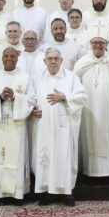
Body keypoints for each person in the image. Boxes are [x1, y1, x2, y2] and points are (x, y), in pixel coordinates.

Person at [32, 48, 87, 205]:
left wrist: (64, 96)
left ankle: (67, 193)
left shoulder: (71, 77)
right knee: (46, 156)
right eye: (50, 58)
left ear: (62, 60)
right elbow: (31, 98)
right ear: (44, 61)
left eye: (56, 58)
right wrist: (31, 110)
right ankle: (47, 193)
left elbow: (82, 95)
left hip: (64, 126)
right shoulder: (37, 78)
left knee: (64, 156)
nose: (53, 61)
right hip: (43, 126)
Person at [0, 47, 36, 204]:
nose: (8, 58)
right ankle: (2, 194)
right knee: (1, 157)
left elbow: (32, 99)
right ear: (2, 58)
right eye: (5, 56)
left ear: (17, 58)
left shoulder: (25, 77)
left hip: (17, 125)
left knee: (17, 158)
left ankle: (17, 194)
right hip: (0, 126)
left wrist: (15, 97)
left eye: (12, 56)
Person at [74, 36, 109, 179]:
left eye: (101, 43)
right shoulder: (82, 62)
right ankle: (89, 172)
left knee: (108, 136)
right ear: (90, 44)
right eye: (95, 42)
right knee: (88, 136)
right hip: (88, 108)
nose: (98, 45)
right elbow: (73, 82)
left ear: (106, 45)